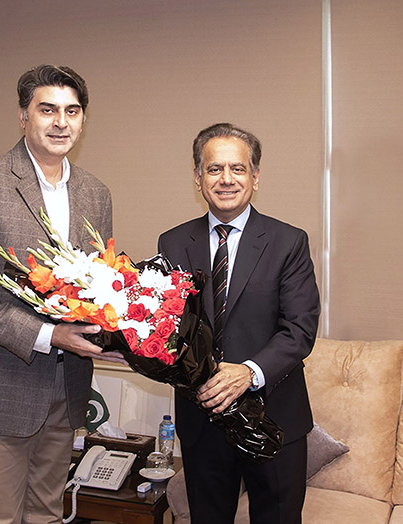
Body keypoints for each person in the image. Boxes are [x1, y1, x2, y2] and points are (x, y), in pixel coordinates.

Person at [0, 64, 123, 524]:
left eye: (72, 111)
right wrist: (47, 335)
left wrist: (118, 336)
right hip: (4, 380)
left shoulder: (95, 193)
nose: (61, 122)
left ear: (83, 121)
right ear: (24, 117)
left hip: (67, 383)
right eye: (48, 110)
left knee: (46, 511)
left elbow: (96, 283)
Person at [157, 123, 320, 523]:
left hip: (273, 419)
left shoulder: (288, 242)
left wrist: (248, 373)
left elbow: (300, 329)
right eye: (214, 169)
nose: (226, 179)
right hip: (202, 422)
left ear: (256, 177)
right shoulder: (173, 243)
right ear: (198, 178)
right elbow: (168, 327)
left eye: (238, 169)